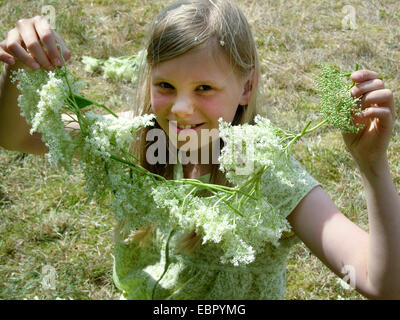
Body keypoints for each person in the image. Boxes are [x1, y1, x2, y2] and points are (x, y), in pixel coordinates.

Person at [0, 0, 399, 300]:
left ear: (246, 88)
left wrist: (372, 167)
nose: (181, 110)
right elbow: (15, 137)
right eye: (165, 86)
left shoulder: (268, 174)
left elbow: (380, 282)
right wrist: (20, 64)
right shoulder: (131, 138)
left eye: (204, 89)